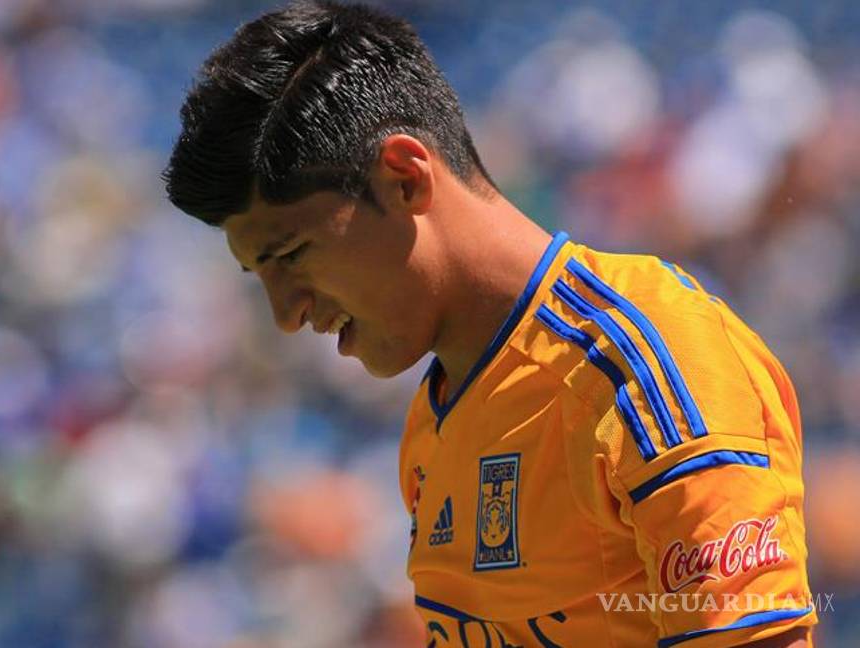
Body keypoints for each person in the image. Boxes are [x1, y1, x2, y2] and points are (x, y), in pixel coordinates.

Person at [162, 2, 817, 646]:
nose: (286, 315)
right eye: (260, 275)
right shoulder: (433, 423)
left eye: (291, 256)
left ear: (405, 179)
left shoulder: (650, 363)